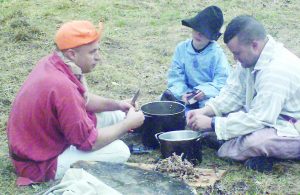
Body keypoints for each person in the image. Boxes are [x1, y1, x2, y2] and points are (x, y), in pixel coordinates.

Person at [7, 20, 145, 184]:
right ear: (72, 54)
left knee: (117, 114)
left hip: (48, 140)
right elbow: (89, 143)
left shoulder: (55, 62)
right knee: (120, 150)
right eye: (92, 52)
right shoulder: (62, 87)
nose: (98, 57)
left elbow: (84, 100)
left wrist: (118, 104)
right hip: (40, 164)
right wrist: (127, 125)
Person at [187, 15, 300, 172]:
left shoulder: (276, 71)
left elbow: (259, 119)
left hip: (290, 127)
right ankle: (231, 139)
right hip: (267, 116)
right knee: (228, 121)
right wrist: (205, 111)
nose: (235, 58)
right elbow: (234, 94)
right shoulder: (250, 58)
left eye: (237, 53)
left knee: (245, 146)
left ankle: (253, 151)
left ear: (254, 45)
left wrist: (213, 124)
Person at [161, 6, 230, 112]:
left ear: (212, 36)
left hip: (206, 98)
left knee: (215, 107)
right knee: (165, 102)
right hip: (184, 96)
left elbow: (223, 80)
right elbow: (176, 76)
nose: (199, 34)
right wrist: (182, 93)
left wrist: (204, 91)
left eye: (204, 32)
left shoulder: (217, 54)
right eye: (197, 29)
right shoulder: (181, 49)